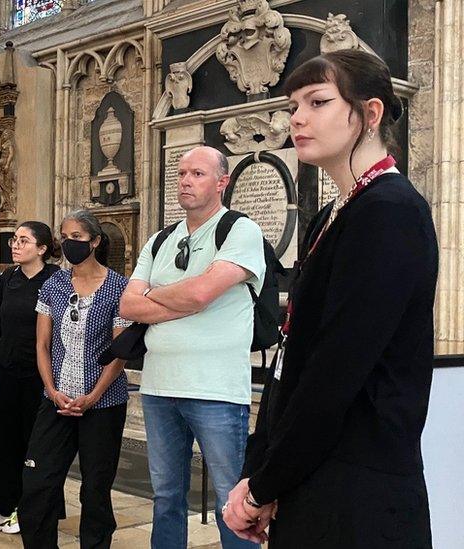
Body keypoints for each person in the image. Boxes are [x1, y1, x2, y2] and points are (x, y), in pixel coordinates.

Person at [223, 50, 438, 549]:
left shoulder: (391, 212)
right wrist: (262, 469)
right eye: (293, 104)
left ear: (370, 113)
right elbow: (294, 356)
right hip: (314, 472)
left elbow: (336, 372)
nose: (296, 117)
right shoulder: (333, 214)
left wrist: (263, 487)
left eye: (317, 101)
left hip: (358, 484)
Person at [119, 145, 266, 549]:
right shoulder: (161, 238)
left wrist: (158, 295)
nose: (185, 180)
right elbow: (128, 304)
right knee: (165, 497)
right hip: (160, 388)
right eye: (182, 173)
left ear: (222, 182)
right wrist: (182, 299)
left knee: (231, 503)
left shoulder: (239, 230)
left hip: (215, 390)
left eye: (198, 174)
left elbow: (202, 294)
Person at [19, 209, 130, 549]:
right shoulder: (53, 285)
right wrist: (51, 390)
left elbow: (119, 350)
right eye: (64, 238)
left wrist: (94, 395)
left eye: (77, 238)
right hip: (56, 400)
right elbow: (42, 344)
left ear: (95, 241)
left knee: (95, 489)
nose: (69, 244)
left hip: (103, 403)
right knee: (38, 483)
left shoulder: (118, 287)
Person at [0, 221, 61, 535]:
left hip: (41, 375)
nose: (15, 244)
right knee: (1, 440)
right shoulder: (7, 277)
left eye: (24, 240)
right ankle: (4, 505)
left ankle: (31, 510)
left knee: (35, 444)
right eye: (14, 239)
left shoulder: (55, 279)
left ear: (42, 248)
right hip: (7, 371)